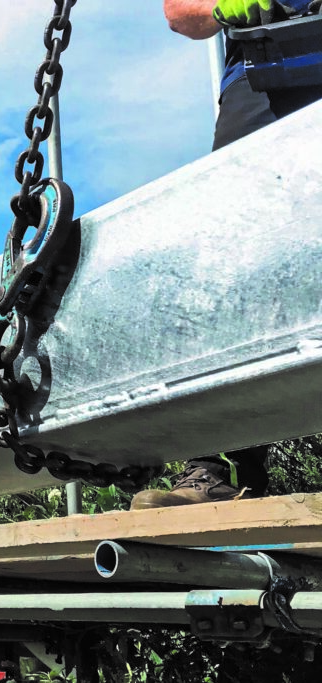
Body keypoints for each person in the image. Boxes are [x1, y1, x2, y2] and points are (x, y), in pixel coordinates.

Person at [130, 0, 322, 509]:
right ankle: (220, 471)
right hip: (266, 73)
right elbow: (179, 13)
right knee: (229, 266)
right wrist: (221, 6)